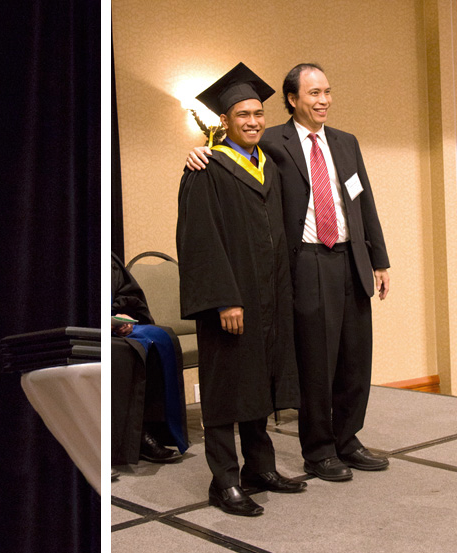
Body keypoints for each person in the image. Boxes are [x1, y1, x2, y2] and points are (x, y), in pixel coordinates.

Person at [186, 63, 391, 482]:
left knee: (356, 357)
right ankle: (319, 449)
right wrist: (197, 150)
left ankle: (348, 438)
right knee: (317, 361)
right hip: (308, 261)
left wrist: (379, 259)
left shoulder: (346, 143)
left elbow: (362, 202)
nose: (323, 100)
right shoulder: (273, 141)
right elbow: (227, 157)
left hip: (351, 259)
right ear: (293, 100)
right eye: (313, 93)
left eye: (327, 92)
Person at [176, 63, 305, 517]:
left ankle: (260, 468)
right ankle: (224, 480)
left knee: (258, 382)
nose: (252, 121)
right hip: (231, 301)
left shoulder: (268, 163)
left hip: (270, 298)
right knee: (226, 388)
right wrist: (224, 298)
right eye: (242, 115)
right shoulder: (206, 168)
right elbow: (199, 241)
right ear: (224, 121)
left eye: (258, 114)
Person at [111, 254, 188, 465]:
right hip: (93, 334)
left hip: (113, 326)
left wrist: (123, 314)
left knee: (161, 338)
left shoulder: (106, 257)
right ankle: (136, 436)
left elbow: (129, 294)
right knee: (125, 352)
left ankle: (156, 430)